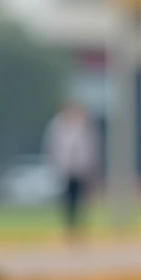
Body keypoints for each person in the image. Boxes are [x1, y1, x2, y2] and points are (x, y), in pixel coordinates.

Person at [43, 101, 98, 242]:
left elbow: (91, 147)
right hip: (65, 169)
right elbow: (53, 147)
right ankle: (70, 229)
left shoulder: (84, 126)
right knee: (67, 201)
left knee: (81, 200)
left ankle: (81, 228)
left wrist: (90, 166)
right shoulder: (58, 126)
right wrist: (55, 166)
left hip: (81, 169)